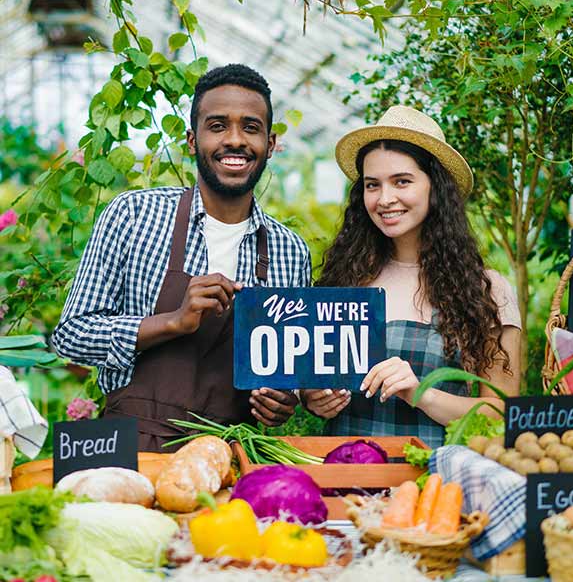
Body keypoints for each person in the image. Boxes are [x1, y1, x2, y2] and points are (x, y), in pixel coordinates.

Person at [52, 64, 311, 451]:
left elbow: (286, 373)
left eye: (251, 127)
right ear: (192, 140)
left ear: (270, 144)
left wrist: (279, 402)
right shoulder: (134, 215)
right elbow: (70, 337)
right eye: (218, 125)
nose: (235, 140)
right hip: (127, 447)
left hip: (231, 454)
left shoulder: (290, 252)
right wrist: (172, 322)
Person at [301, 106, 521, 448]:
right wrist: (314, 400)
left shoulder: (486, 291)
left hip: (436, 486)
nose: (385, 199)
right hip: (344, 480)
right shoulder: (344, 280)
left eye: (402, 181)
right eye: (373, 185)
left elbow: (502, 410)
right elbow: (314, 382)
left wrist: (421, 393)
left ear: (436, 187)